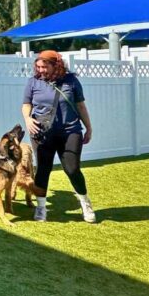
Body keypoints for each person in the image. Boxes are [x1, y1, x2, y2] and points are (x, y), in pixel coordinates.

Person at [21, 50, 95, 223]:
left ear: (56, 65)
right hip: (41, 131)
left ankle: (85, 203)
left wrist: (89, 128)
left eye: (44, 67)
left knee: (72, 169)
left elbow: (81, 106)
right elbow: (26, 105)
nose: (41, 70)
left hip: (70, 130)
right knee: (43, 169)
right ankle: (41, 207)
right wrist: (28, 119)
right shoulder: (33, 82)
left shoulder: (71, 81)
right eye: (38, 67)